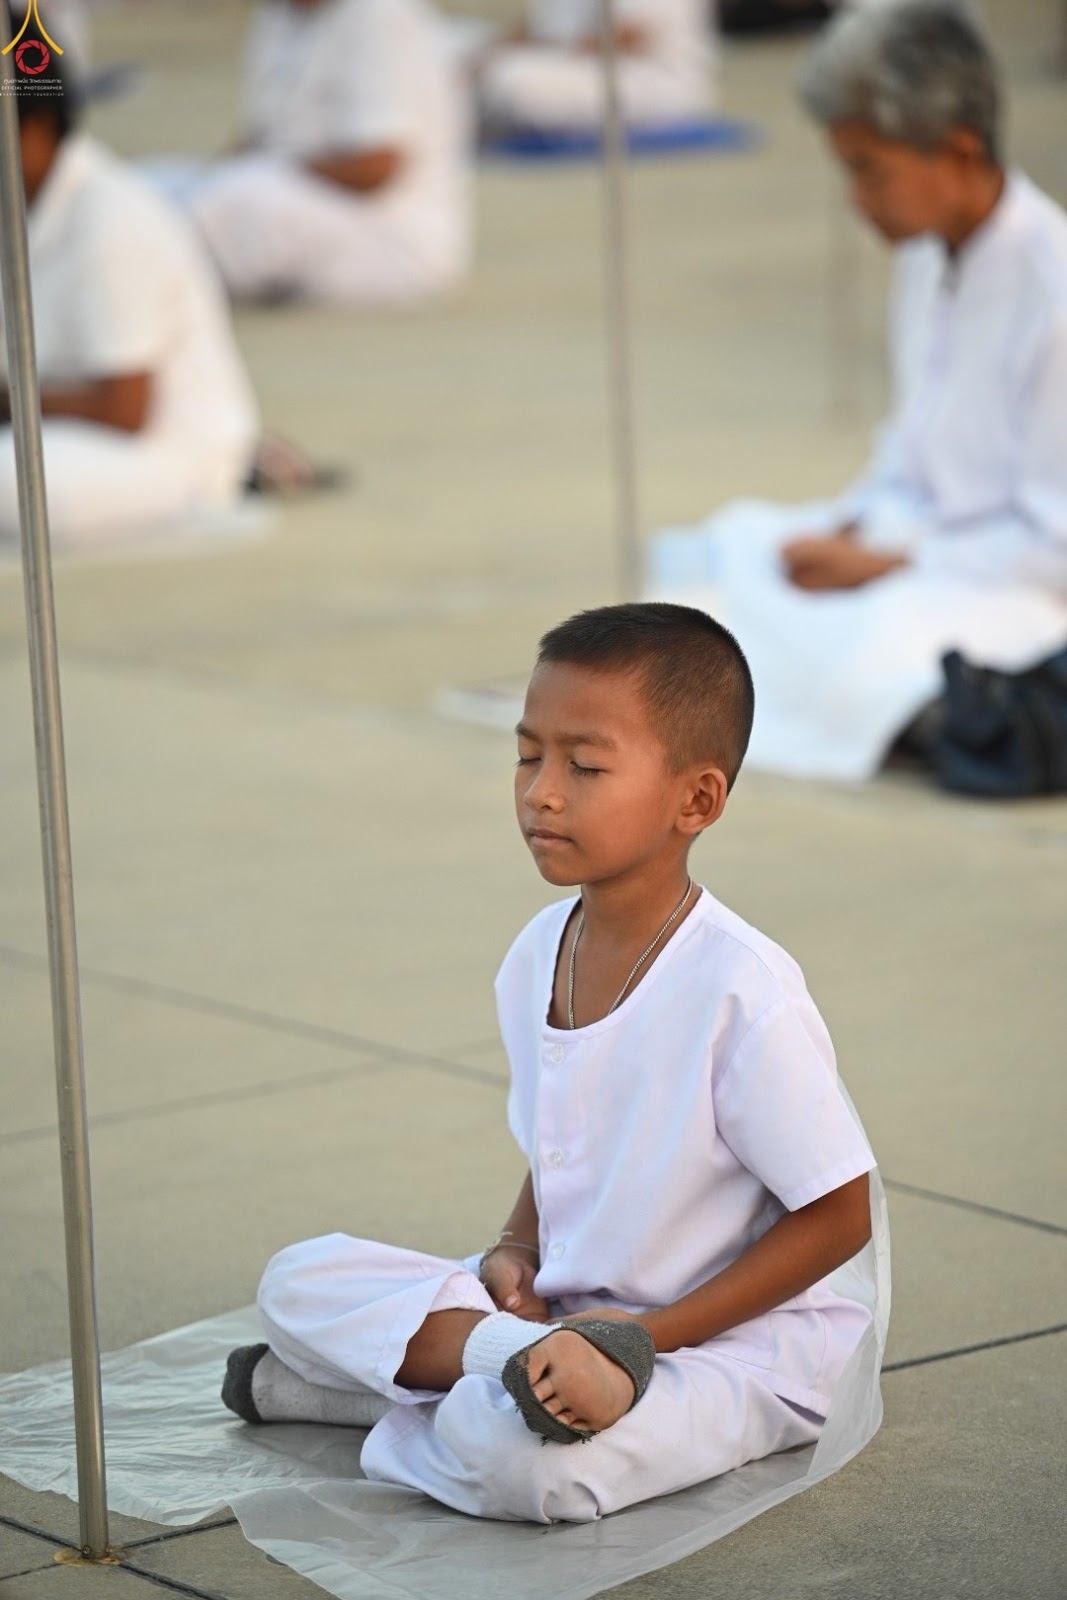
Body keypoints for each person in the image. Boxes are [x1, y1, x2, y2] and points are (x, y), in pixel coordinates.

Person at [221, 602, 882, 1525]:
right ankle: (511, 1369)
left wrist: (639, 1340)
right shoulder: (539, 950)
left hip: (729, 1341)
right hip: (565, 1314)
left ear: (694, 800)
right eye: (528, 756)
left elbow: (840, 1213)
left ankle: (378, 1395)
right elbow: (566, 1138)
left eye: (585, 766)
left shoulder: (741, 989)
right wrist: (518, 1247)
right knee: (297, 1279)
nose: (541, 792)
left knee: (530, 1473)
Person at [647, 1, 1067, 780]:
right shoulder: (925, 256)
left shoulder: (1053, 292)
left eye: (868, 169)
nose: (855, 198)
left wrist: (888, 563)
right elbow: (910, 445)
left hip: (1003, 591)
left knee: (864, 658)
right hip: (905, 545)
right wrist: (851, 526)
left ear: (958, 151)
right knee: (723, 549)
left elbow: (1053, 548)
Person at [0, 51, 258, 551]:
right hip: (59, 434)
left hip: (162, 458)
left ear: (37, 128)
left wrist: (5, 402)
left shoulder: (110, 217)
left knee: (14, 484)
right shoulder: (24, 201)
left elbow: (122, 409)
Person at [164, 0, 471, 306]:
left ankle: (175, 283)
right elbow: (259, 137)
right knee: (157, 186)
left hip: (386, 234)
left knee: (243, 199)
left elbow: (376, 168)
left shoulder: (380, 14)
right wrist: (209, 183)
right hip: (295, 194)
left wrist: (275, 170)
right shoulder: (277, 13)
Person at [475, 0, 715, 133]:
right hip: (570, 61)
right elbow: (541, 26)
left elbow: (629, 35)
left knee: (513, 79)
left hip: (649, 77)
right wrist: (486, 53)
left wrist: (539, 51)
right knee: (462, 47)